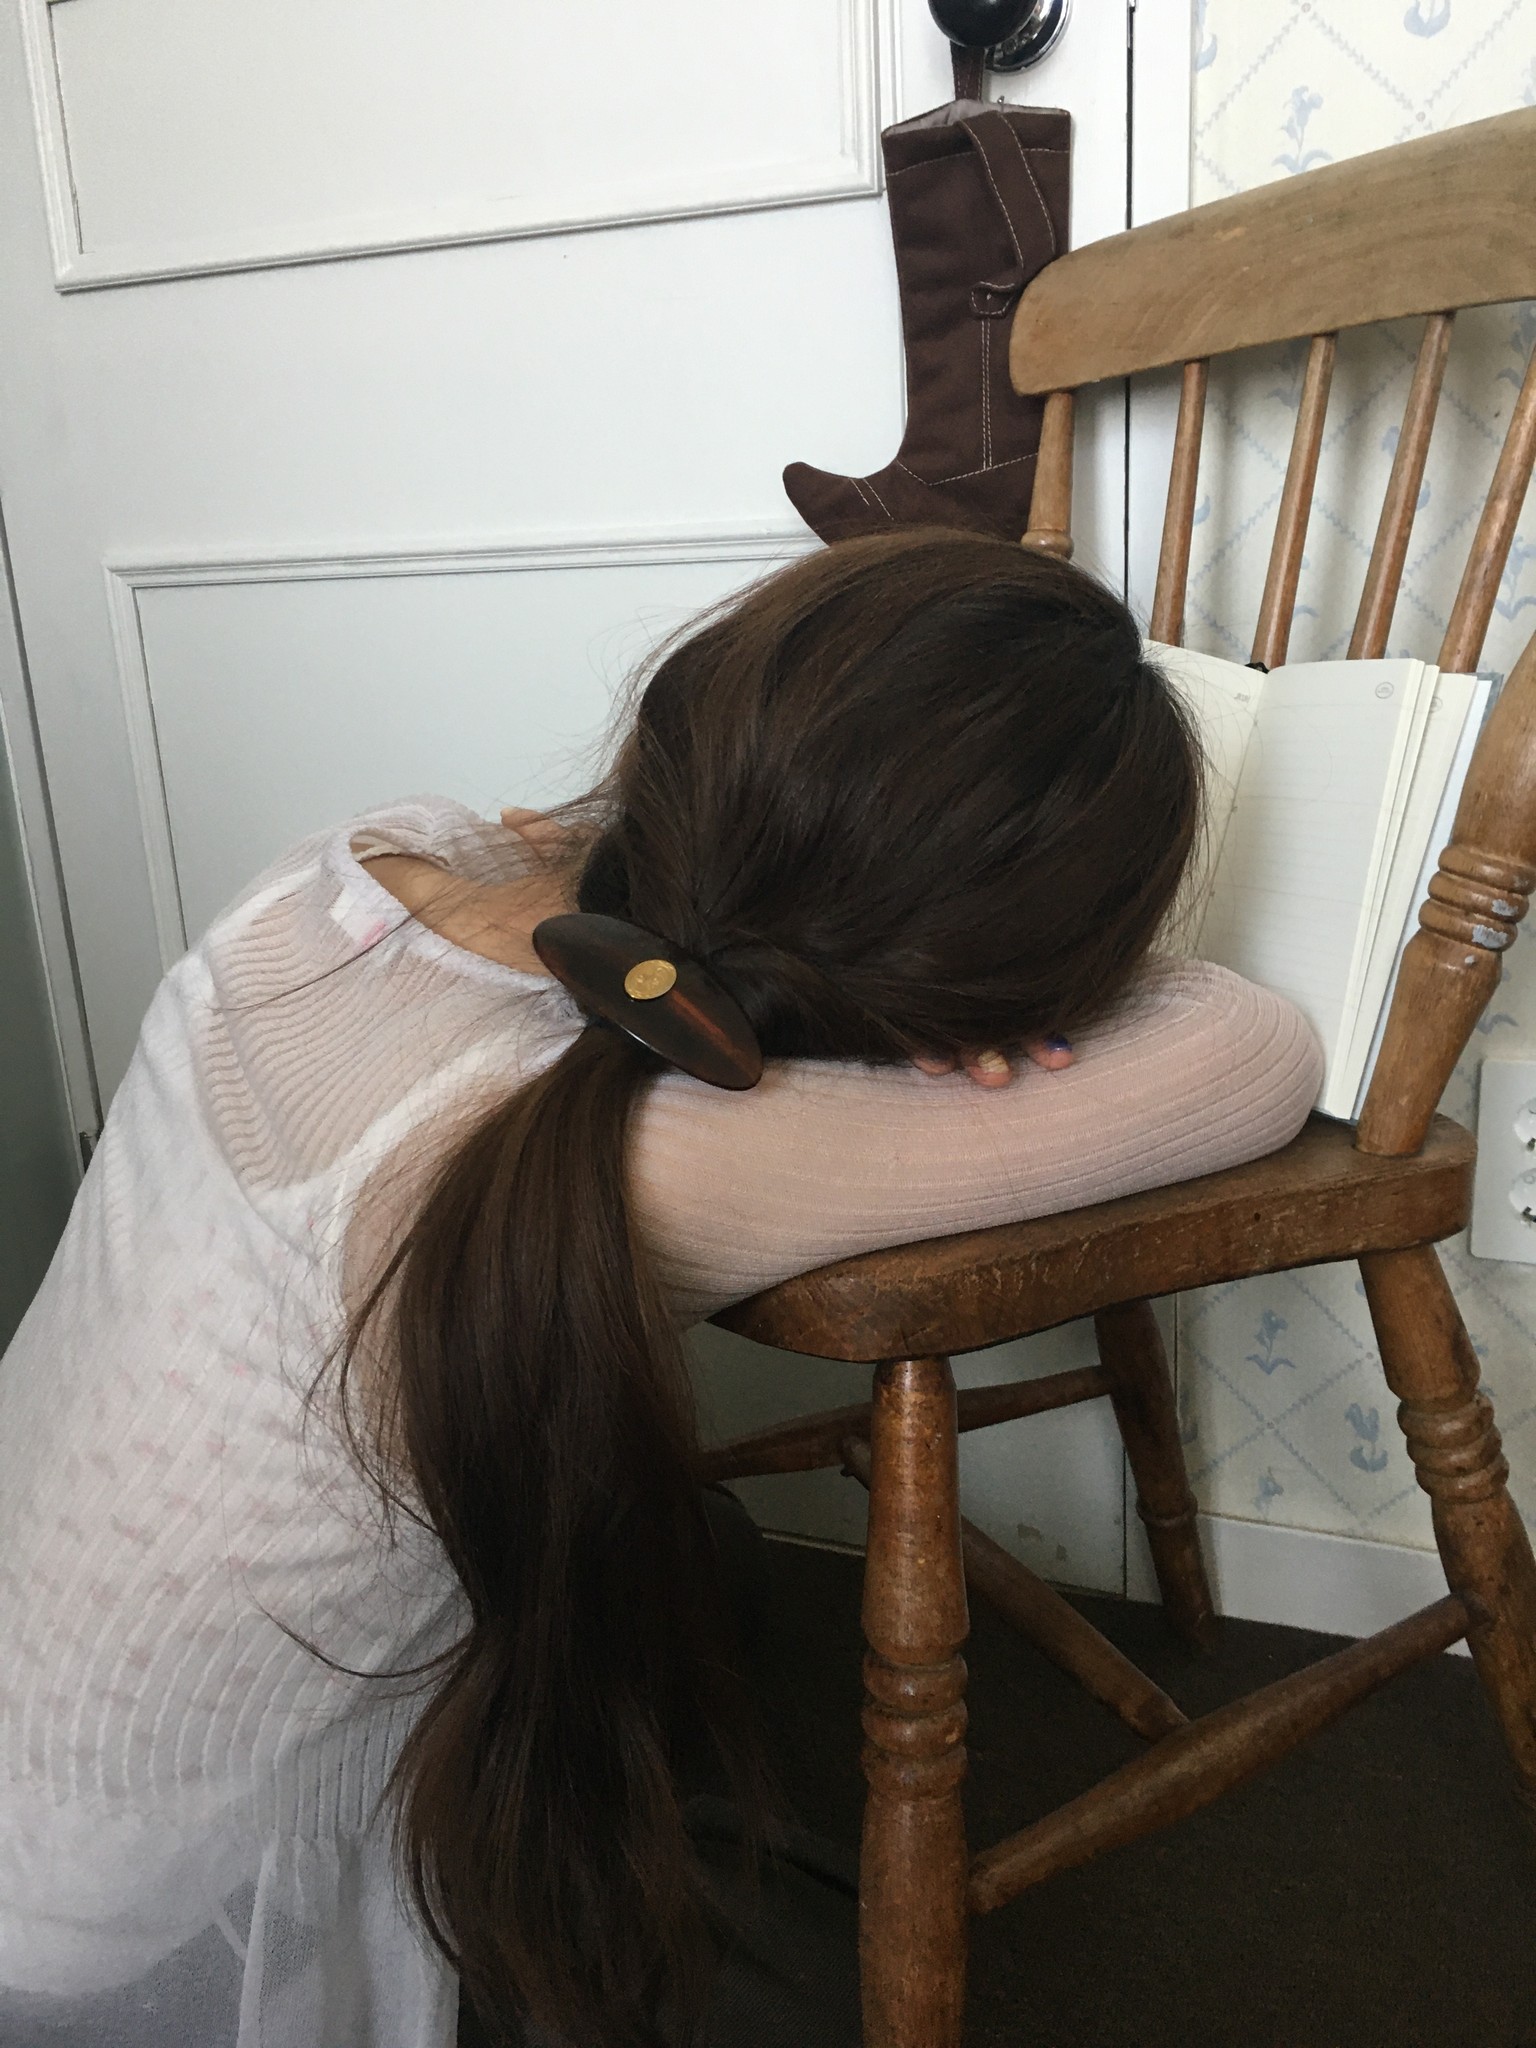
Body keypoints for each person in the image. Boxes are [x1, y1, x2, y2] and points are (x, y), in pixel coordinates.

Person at [0, 530, 1321, 2048]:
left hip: (34, 1672)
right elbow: (1257, 1049)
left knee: (703, 1552)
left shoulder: (344, 873)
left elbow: (552, 861)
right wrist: (939, 1037)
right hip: (119, 1880)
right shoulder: (683, 1149)